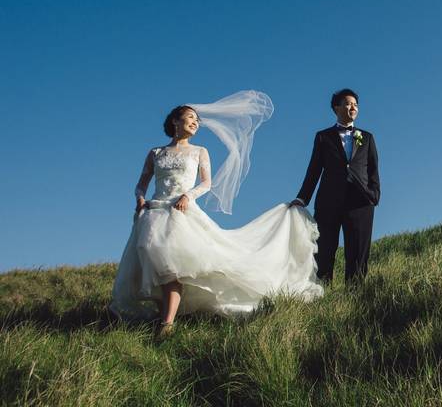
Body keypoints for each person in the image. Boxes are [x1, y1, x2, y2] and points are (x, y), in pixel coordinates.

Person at [110, 92, 324, 335]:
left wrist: (187, 196)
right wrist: (140, 198)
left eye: (197, 120)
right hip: (155, 212)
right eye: (190, 118)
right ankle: (165, 314)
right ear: (175, 122)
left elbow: (206, 183)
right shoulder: (156, 153)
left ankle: (167, 324)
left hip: (181, 212)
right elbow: (142, 183)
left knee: (172, 267)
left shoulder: (199, 151)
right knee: (152, 261)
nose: (195, 122)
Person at [290, 89, 380, 284]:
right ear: (336, 108)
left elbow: (373, 170)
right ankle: (321, 292)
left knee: (357, 253)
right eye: (348, 103)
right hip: (329, 202)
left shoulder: (367, 137)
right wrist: (302, 198)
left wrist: (374, 195)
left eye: (356, 104)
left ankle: (354, 296)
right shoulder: (323, 137)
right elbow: (314, 170)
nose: (353, 107)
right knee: (324, 249)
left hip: (361, 203)